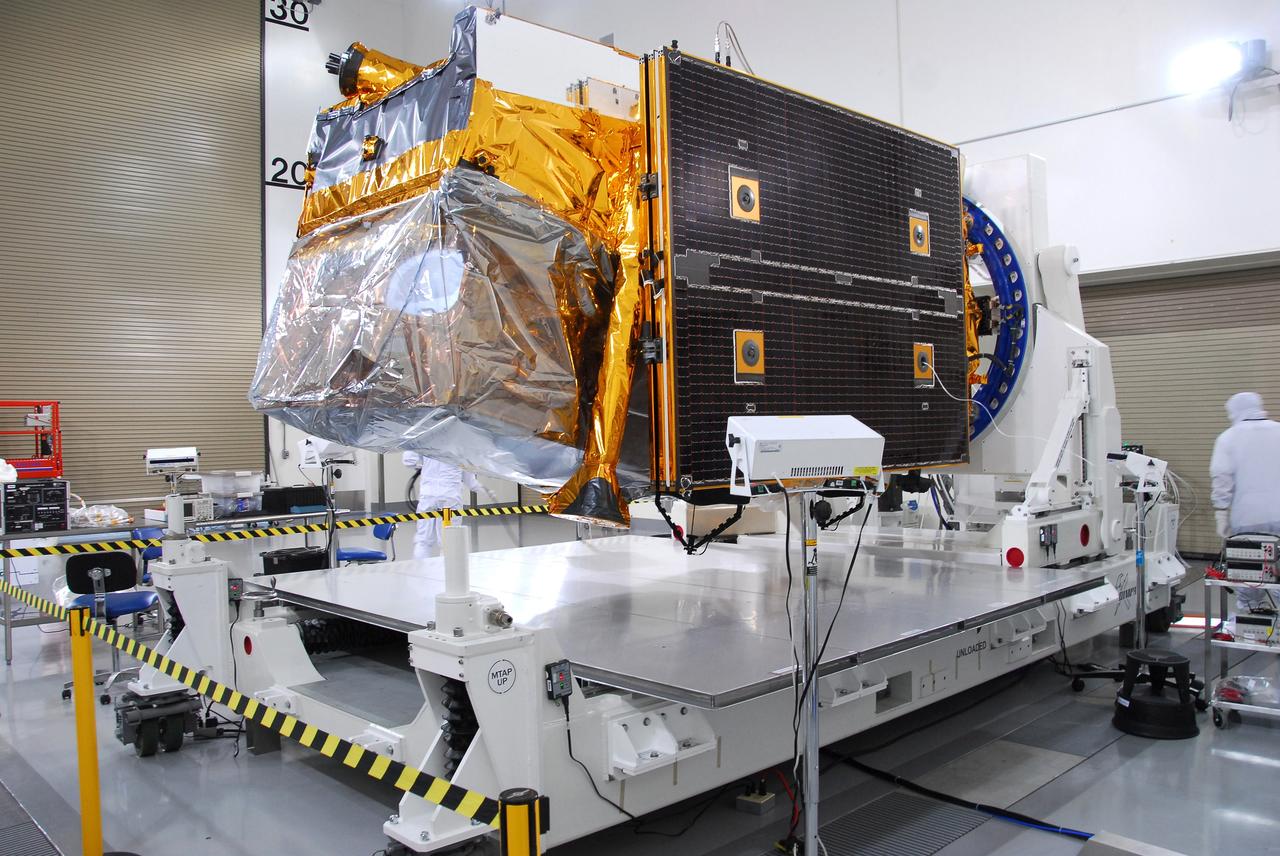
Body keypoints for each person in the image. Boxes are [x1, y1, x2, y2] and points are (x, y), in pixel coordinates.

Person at [1210, 392, 1280, 613]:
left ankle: (1253, 622)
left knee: (1248, 575)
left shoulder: (1228, 437)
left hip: (1247, 519)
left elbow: (1222, 478)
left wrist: (1221, 513)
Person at [402, 452, 486, 560]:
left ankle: (420, 572)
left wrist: (424, 464)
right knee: (448, 541)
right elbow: (470, 480)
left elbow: (408, 460)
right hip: (449, 497)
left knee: (423, 540)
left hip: (428, 496)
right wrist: (485, 490)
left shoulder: (425, 438)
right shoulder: (459, 443)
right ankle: (446, 573)